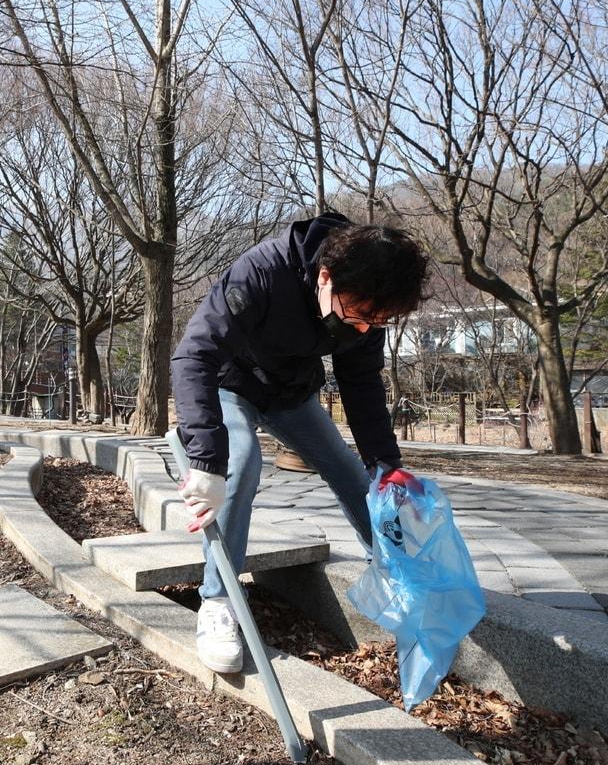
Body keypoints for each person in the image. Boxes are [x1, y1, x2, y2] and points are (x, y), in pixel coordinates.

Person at [170, 212, 430, 674]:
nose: (367, 328)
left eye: (379, 320)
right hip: (232, 384)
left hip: (291, 394)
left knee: (354, 472)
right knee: (241, 461)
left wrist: (386, 465)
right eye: (359, 314)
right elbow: (195, 356)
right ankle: (218, 601)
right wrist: (208, 460)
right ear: (325, 277)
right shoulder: (262, 273)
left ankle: (396, 570)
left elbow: (363, 385)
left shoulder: (368, 303)